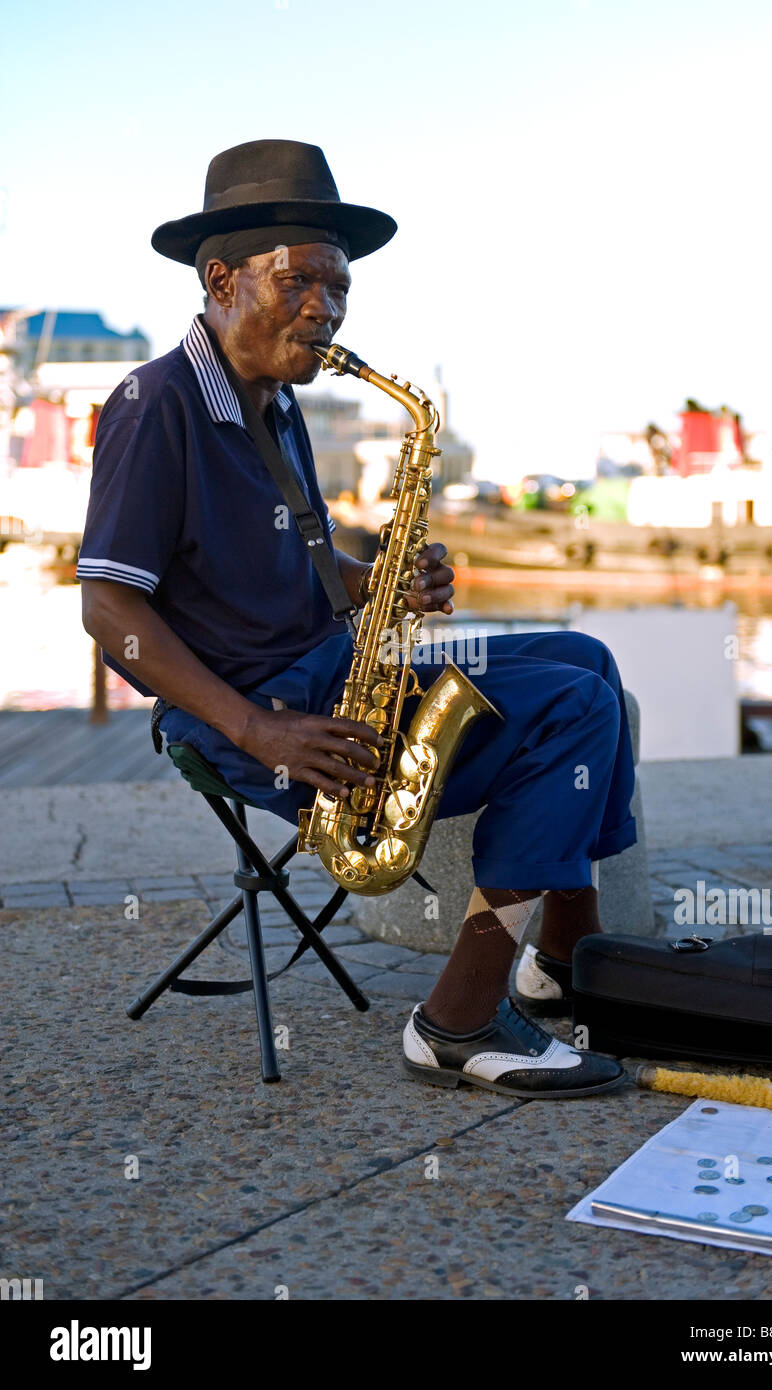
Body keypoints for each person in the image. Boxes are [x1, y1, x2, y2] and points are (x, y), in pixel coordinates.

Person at [78, 139, 638, 1100]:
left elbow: (301, 553)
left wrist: (379, 579)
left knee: (587, 655)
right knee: (571, 712)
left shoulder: (277, 402)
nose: (325, 309)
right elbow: (108, 606)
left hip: (328, 666)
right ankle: (457, 1021)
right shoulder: (155, 403)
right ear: (221, 280)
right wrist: (256, 727)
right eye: (300, 282)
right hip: (262, 712)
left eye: (338, 290)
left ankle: (558, 960)